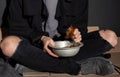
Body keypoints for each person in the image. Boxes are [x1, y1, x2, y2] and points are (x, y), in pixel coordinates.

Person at [0, 0, 118, 75]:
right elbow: (16, 29)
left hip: (64, 46)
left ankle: (32, 65)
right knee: (8, 44)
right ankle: (78, 67)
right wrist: (42, 38)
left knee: (110, 37)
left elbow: (80, 26)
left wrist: (74, 33)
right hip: (35, 46)